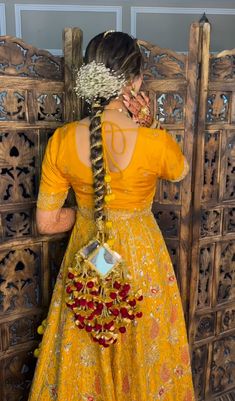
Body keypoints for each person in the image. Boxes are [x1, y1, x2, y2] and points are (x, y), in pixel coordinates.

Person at [28, 31, 195, 401]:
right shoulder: (155, 144)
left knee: (85, 350)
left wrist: (86, 213)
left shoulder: (61, 141)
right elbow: (181, 170)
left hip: (88, 260)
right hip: (143, 264)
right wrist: (149, 124)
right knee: (146, 355)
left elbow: (47, 223)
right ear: (134, 82)